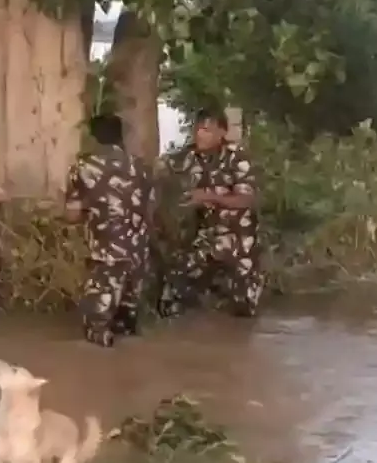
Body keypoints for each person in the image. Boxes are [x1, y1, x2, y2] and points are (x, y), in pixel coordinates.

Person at [157, 107, 263, 318]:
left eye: (206, 130)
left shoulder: (237, 158)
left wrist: (208, 197)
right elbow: (167, 180)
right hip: (206, 237)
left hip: (239, 240)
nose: (200, 135)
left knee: (244, 310)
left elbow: (246, 200)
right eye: (197, 130)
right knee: (173, 291)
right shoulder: (188, 158)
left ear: (222, 133)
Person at [63, 113, 155, 347]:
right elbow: (150, 209)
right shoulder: (142, 167)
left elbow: (72, 216)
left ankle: (100, 370)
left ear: (94, 138)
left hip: (107, 256)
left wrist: (85, 205)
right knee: (127, 328)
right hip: (139, 255)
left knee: (96, 331)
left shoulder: (83, 168)